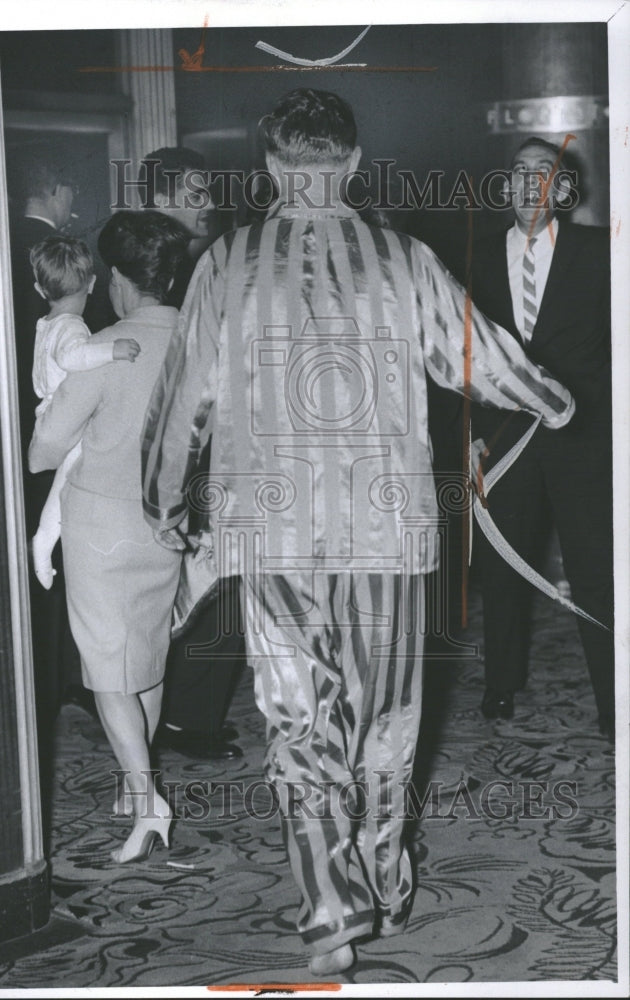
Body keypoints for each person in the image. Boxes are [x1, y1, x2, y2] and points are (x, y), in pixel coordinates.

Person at [140, 89, 575, 974]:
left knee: (297, 721)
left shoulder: (226, 260)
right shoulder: (401, 258)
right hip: (386, 527)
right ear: (350, 162)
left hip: (271, 528)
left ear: (269, 169)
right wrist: (554, 401)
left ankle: (328, 908)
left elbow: (183, 394)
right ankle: (383, 876)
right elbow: (481, 358)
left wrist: (162, 505)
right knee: (388, 717)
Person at [29, 210, 190, 863]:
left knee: (108, 672)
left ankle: (149, 802)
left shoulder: (102, 349)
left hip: (101, 526)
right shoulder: (201, 341)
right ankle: (135, 787)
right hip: (169, 523)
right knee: (145, 656)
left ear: (120, 278)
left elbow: (43, 453)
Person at [469, 136, 614, 736]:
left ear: (562, 190)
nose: (530, 183)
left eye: (544, 173)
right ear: (505, 188)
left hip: (585, 441)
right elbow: (461, 354)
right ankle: (501, 685)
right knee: (503, 570)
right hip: (502, 442)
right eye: (519, 173)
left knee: (597, 571)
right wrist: (471, 437)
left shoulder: (602, 251)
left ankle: (614, 699)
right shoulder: (470, 257)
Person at [139, 146, 246, 760]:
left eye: (209, 192)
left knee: (220, 582)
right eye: (195, 194)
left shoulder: (209, 258)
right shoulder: (149, 268)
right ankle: (179, 716)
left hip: (213, 451)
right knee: (199, 586)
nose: (209, 205)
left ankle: (189, 713)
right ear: (160, 200)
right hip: (171, 453)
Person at [8, 155, 88, 829]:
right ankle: (71, 672)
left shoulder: (36, 298)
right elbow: (79, 360)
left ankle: (64, 670)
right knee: (64, 498)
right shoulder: (72, 320)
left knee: (54, 508)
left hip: (37, 420)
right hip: (63, 427)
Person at [28, 235, 141, 588]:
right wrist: (113, 350)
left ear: (38, 288)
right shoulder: (72, 327)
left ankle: (47, 540)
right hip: (65, 416)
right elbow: (72, 357)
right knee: (68, 481)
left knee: (66, 482)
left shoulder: (47, 323)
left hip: (51, 410)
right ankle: (44, 541)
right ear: (93, 283)